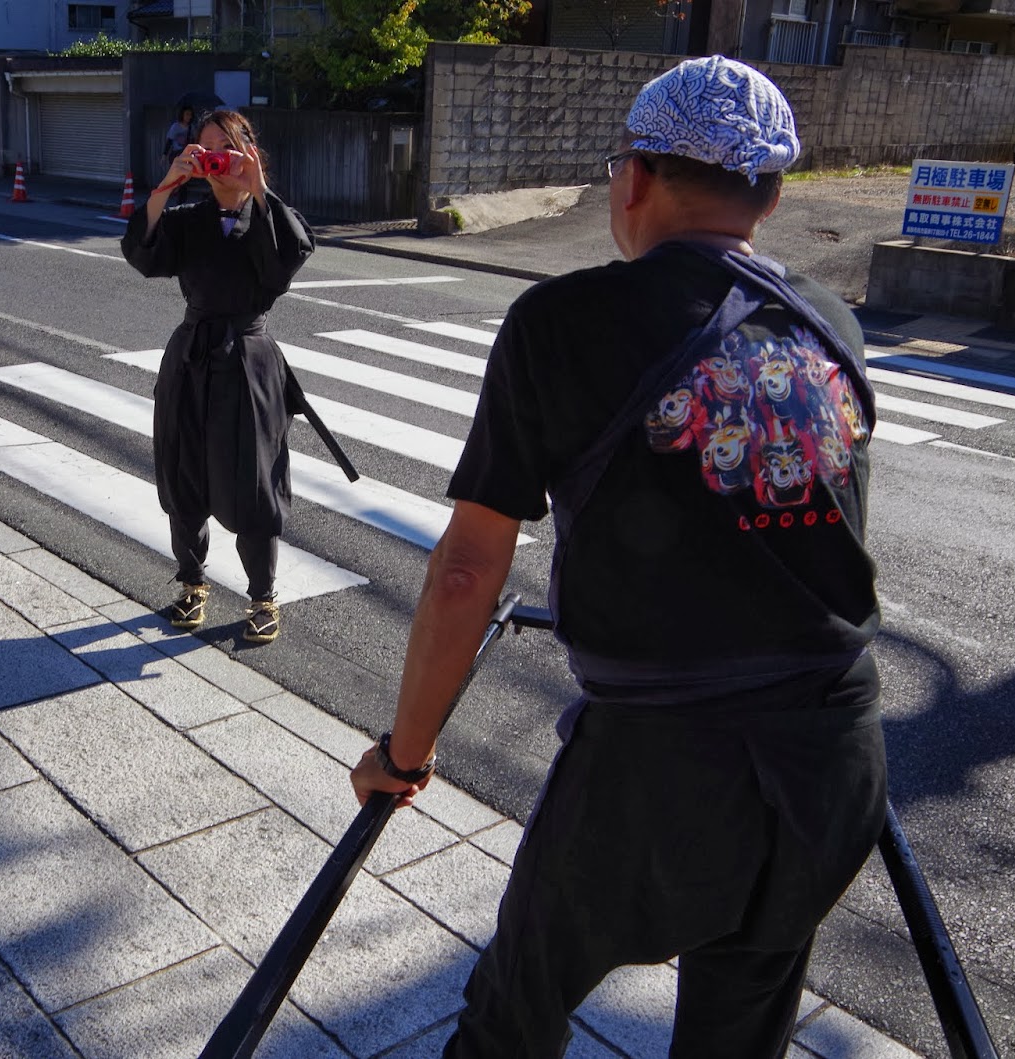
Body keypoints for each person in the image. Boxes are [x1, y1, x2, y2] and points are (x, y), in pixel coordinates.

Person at [350, 56, 888, 1058]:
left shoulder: (562, 322)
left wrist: (404, 755)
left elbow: (467, 569)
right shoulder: (833, 321)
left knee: (514, 1017)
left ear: (633, 177)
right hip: (835, 756)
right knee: (741, 1031)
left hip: (655, 767)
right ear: (770, 196)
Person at [120, 109, 351, 645]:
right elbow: (143, 254)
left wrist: (258, 188)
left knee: (254, 479)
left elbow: (285, 262)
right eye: (205, 150)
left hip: (249, 361)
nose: (217, 158)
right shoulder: (187, 218)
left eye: (226, 147)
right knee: (183, 471)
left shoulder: (269, 215)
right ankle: (192, 583)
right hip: (191, 357)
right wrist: (168, 184)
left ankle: (263, 597)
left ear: (249, 150)